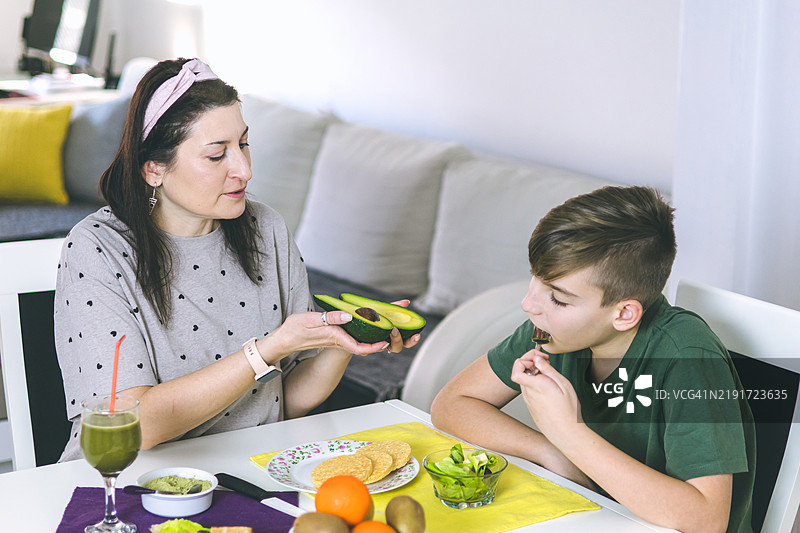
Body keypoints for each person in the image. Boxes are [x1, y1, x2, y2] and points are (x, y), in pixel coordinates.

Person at [55, 58, 419, 461]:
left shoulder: (266, 228)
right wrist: (266, 350)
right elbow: (138, 426)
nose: (244, 170)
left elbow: (285, 402)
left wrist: (344, 341)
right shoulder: (97, 248)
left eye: (243, 144)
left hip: (247, 472)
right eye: (217, 156)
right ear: (154, 169)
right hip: (126, 482)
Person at [430, 186, 755, 533]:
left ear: (624, 314)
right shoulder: (554, 331)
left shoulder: (687, 356)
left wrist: (568, 433)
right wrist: (549, 450)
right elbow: (452, 404)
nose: (530, 304)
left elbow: (706, 521)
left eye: (558, 298)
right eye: (536, 282)